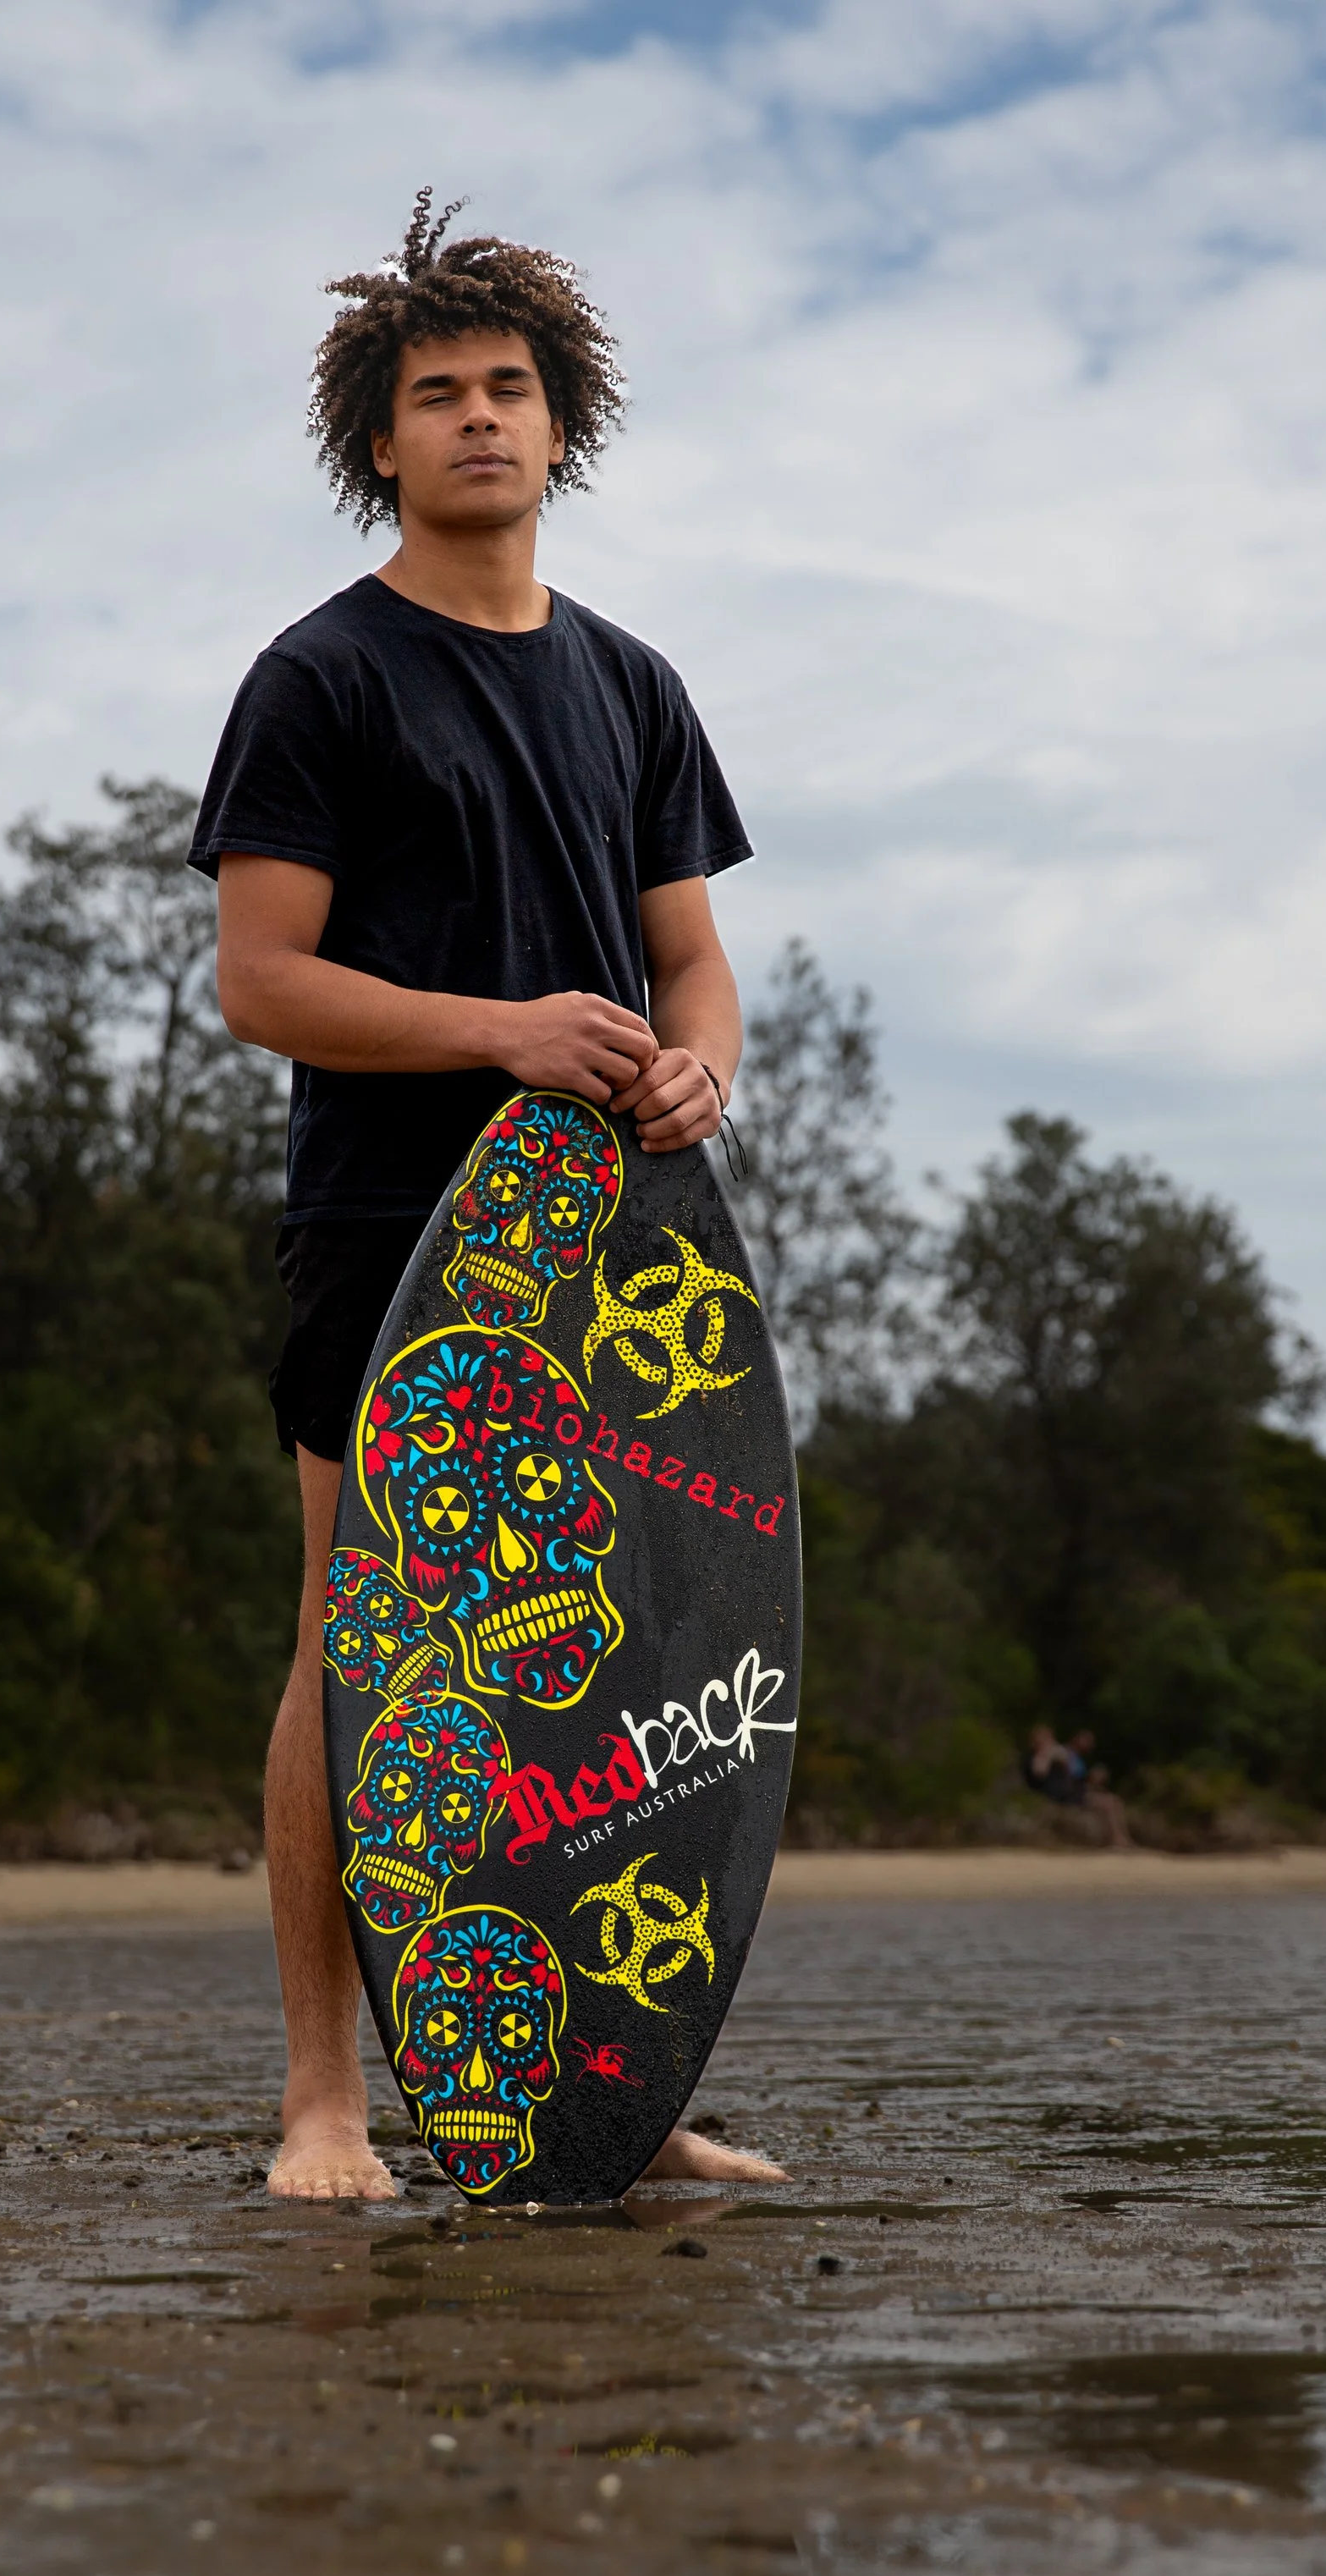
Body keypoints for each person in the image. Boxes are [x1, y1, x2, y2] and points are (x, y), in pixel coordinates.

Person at [195, 190, 784, 2200]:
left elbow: (686, 953)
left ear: (561, 426)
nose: (475, 421)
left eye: (507, 390)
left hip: (608, 1260)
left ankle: (599, 2089)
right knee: (363, 1651)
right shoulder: (324, 677)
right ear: (379, 438)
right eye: (433, 394)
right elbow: (260, 980)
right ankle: (327, 2100)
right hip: (388, 1240)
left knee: (595, 1658)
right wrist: (502, 1033)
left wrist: (692, 1054)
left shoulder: (629, 683)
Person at [1022, 1724, 1131, 1847]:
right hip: (1062, 1795)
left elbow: (1072, 1775)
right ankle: (1117, 1840)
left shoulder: (1059, 1754)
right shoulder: (1036, 1757)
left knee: (1114, 1802)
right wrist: (1048, 1755)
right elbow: (1039, 1773)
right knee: (1108, 1804)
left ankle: (1122, 1838)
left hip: (1070, 1792)